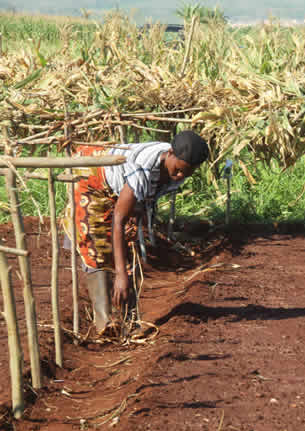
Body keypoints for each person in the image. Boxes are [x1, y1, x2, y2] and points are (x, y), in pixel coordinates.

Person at [63, 131, 209, 335]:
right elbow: (118, 221)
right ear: (170, 153)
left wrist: (137, 212)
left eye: (187, 172)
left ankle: (129, 322)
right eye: (178, 170)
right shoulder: (142, 170)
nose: (181, 176)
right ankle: (105, 324)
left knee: (127, 248)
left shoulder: (175, 166)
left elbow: (146, 197)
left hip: (120, 187)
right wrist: (121, 275)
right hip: (92, 176)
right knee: (98, 247)